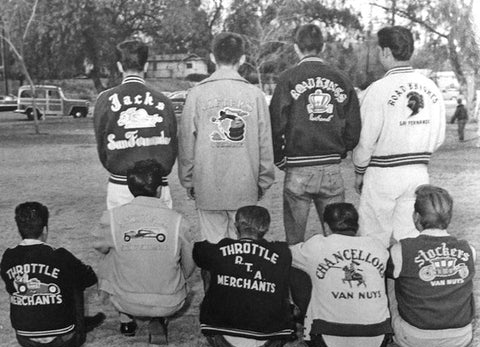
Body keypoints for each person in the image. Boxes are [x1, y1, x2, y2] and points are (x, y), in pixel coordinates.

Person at [353, 26, 446, 246]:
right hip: (418, 172)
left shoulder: (377, 90)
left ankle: (378, 281)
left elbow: (365, 140)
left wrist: (359, 170)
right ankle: (407, 280)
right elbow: (439, 137)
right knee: (410, 237)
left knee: (374, 239)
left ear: (386, 51)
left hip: (382, 172)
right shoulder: (431, 87)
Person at [178, 32, 274, 244]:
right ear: (242, 59)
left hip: (207, 185)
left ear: (212, 57)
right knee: (243, 250)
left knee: (212, 250)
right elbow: (265, 143)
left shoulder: (196, 94)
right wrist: (264, 181)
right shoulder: (255, 95)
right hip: (245, 186)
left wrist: (188, 180)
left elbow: (186, 143)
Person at [269, 24, 361, 245]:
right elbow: (354, 126)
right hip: (330, 167)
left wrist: (280, 157)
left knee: (294, 240)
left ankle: (295, 277)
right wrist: (341, 149)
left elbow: (275, 123)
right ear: (324, 47)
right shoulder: (341, 78)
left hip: (298, 167)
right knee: (339, 239)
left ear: (296, 48)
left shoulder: (288, 78)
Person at [93, 159, 195, 344]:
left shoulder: (112, 217)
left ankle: (126, 321)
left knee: (109, 253)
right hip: (170, 301)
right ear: (159, 190)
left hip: (125, 300)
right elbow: (189, 265)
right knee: (174, 254)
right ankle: (157, 316)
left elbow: (99, 246)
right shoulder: (179, 220)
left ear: (130, 189)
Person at [290, 203, 391, 347]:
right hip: (379, 339)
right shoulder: (377, 246)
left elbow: (287, 255)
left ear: (326, 226)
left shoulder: (316, 245)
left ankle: (303, 317)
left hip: (325, 340)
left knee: (298, 266)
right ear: (357, 226)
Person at [0, 202, 104, 347]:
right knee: (75, 279)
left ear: (19, 229)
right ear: (45, 230)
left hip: (25, 339)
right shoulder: (60, 255)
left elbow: (11, 287)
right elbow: (90, 279)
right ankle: (75, 325)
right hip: (64, 337)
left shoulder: (9, 256)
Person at [193, 206, 295, 347]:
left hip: (222, 338)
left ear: (235, 227)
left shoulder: (223, 246)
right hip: (269, 341)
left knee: (208, 264)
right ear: (266, 228)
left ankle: (213, 306)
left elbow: (198, 250)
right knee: (289, 269)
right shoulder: (281, 251)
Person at [387, 185, 475, 347]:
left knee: (391, 276)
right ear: (449, 217)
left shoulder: (401, 249)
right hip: (460, 337)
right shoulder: (469, 249)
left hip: (414, 338)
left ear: (416, 217)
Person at [93, 39, 177, 210]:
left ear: (119, 66)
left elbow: (102, 147)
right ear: (145, 66)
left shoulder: (104, 100)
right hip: (157, 186)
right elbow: (172, 145)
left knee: (122, 235)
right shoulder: (164, 101)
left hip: (120, 185)